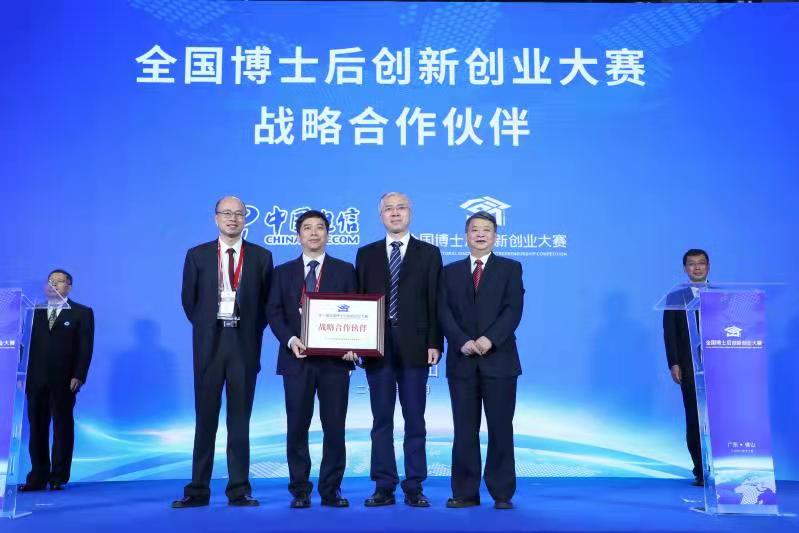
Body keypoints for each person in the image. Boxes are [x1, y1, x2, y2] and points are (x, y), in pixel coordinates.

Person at [172, 196, 273, 508]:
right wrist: (209, 327)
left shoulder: (261, 256)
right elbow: (189, 301)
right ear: (216, 218)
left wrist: (247, 330)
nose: (233, 218)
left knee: (240, 422)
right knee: (205, 421)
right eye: (226, 213)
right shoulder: (197, 255)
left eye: (239, 214)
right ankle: (198, 489)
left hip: (244, 346)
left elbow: (267, 305)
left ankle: (239, 489)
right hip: (209, 347)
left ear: (246, 219)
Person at [355, 192, 442, 508]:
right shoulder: (366, 254)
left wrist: (435, 342)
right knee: (381, 420)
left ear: (410, 213)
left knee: (415, 419)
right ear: (381, 216)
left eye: (401, 208)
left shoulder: (429, 253)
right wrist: (358, 343)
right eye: (388, 209)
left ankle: (414, 486)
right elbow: (358, 302)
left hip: (416, 346)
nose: (395, 213)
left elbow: (436, 301)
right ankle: (383, 485)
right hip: (377, 348)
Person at [266, 210, 358, 509]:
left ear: (328, 234)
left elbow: (357, 312)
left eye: (320, 228)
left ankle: (331, 490)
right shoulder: (282, 272)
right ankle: (300, 490)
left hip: (335, 363)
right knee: (297, 426)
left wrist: (353, 346)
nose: (314, 233)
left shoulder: (345, 270)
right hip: (297, 360)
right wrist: (290, 340)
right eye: (307, 228)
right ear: (298, 235)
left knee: (335, 427)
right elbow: (274, 312)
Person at [438, 211, 524, 510]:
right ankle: (465, 492)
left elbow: (513, 309)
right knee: (464, 430)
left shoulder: (510, 268)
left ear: (495, 236)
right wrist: (460, 340)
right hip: (462, 361)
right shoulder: (449, 272)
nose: (480, 234)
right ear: (466, 236)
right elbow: (443, 311)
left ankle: (502, 493)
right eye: (474, 230)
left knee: (500, 428)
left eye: (486, 230)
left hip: (499, 360)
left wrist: (490, 339)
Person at [20, 269, 94, 491]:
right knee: (37, 429)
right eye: (50, 281)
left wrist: (79, 375)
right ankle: (38, 476)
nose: (52, 285)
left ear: (68, 286)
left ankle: (58, 476)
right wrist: (22, 373)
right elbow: (25, 343)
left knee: (62, 428)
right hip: (35, 379)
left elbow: (85, 348)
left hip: (64, 381)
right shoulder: (34, 312)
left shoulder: (82, 312)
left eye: (58, 282)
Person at [662, 248, 709, 486]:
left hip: (720, 365)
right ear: (685, 269)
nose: (697, 267)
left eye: (701, 263)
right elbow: (669, 333)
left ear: (708, 266)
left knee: (721, 417)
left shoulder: (721, 296)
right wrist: (674, 362)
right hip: (690, 366)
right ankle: (700, 470)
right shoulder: (675, 297)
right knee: (694, 417)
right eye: (692, 264)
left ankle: (724, 467)